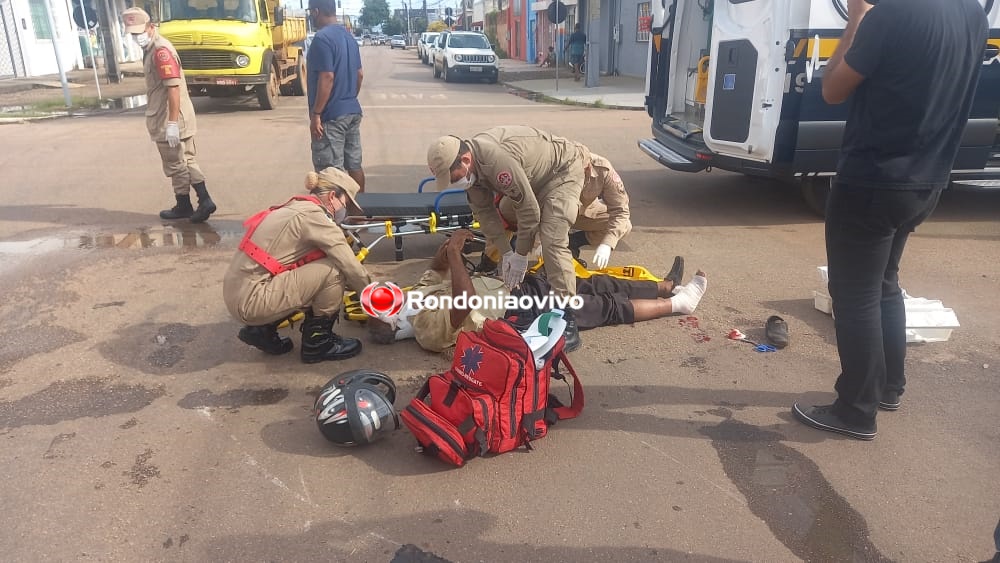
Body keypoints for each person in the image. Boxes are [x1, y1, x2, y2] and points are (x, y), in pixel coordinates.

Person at [791, 0, 989, 440]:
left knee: (854, 294)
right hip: (928, 179)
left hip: (873, 179)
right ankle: (887, 388)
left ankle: (855, 410)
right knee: (884, 284)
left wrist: (858, 17)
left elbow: (833, 88)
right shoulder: (971, 13)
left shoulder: (891, 14)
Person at [367, 230, 707, 353]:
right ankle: (679, 304)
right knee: (602, 305)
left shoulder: (417, 300)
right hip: (522, 311)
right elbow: (465, 301)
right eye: (386, 299)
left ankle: (665, 286)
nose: (392, 290)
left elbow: (435, 271)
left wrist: (447, 250)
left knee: (589, 281)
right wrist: (456, 256)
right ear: (393, 320)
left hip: (516, 288)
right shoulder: (426, 328)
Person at [427, 126, 589, 351]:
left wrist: (521, 255)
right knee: (505, 213)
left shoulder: (494, 162)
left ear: (465, 160)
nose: (453, 183)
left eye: (453, 177)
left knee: (552, 238)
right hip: (532, 178)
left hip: (561, 172)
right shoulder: (472, 172)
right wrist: (506, 253)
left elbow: (529, 211)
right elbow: (486, 215)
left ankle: (567, 315)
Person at [223, 167, 371, 364]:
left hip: (238, 292)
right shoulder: (315, 217)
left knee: (312, 270)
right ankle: (318, 344)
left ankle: (262, 330)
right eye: (345, 203)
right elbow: (350, 265)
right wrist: (374, 301)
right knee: (334, 270)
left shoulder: (294, 207)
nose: (345, 209)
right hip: (251, 300)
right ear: (333, 196)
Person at [121, 7, 216, 223]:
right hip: (176, 116)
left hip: (170, 118)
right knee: (187, 159)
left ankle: (193, 202)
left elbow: (173, 87)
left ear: (151, 27)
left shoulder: (160, 50)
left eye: (139, 32)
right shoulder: (152, 48)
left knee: (176, 164)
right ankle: (196, 201)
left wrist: (172, 123)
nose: (137, 37)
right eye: (133, 34)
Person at [497, 148, 632, 269]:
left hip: (583, 210)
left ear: (588, 167)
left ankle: (573, 242)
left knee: (624, 225)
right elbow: (536, 208)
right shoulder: (552, 168)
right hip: (550, 213)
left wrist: (607, 245)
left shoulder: (603, 170)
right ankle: (522, 240)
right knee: (508, 212)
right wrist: (541, 240)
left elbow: (621, 210)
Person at [307, 0, 366, 192]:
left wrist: (317, 113)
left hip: (331, 116)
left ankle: (337, 218)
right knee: (354, 164)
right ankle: (359, 213)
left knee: (331, 172)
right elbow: (359, 74)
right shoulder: (348, 37)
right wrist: (347, 99)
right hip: (352, 111)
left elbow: (327, 76)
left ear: (316, 12)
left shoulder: (321, 39)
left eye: (310, 12)